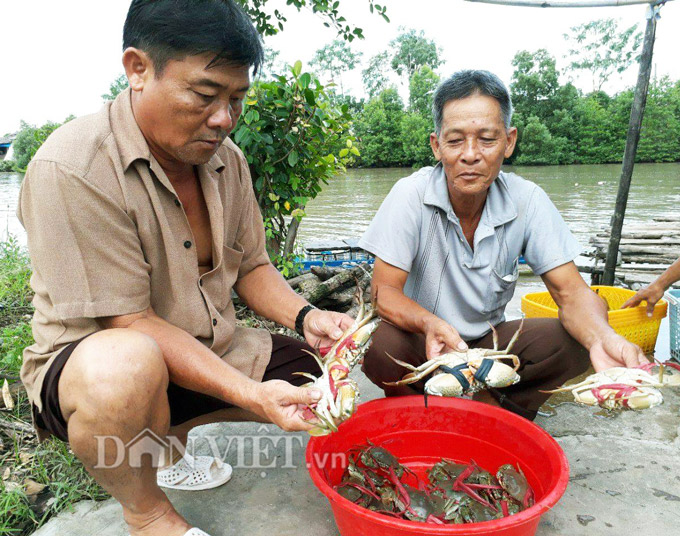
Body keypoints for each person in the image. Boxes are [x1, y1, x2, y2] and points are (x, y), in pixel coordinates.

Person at [17, 2, 351, 535]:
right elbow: (130, 323)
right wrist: (253, 396)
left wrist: (306, 316)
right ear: (138, 69)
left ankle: (170, 447)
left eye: (237, 99)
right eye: (204, 95)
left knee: (318, 379)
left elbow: (254, 269)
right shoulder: (72, 166)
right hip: (96, 362)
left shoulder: (227, 161)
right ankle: (147, 512)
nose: (224, 118)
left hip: (204, 345)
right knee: (126, 367)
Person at [359, 70, 648, 420]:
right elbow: (383, 292)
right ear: (436, 146)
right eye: (455, 141)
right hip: (422, 342)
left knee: (573, 341)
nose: (470, 154)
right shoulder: (410, 195)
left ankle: (500, 414)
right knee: (376, 342)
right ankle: (421, 411)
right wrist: (427, 323)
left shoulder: (528, 200)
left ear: (509, 142)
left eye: (486, 139)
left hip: (488, 345)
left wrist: (602, 337)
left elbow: (572, 293)